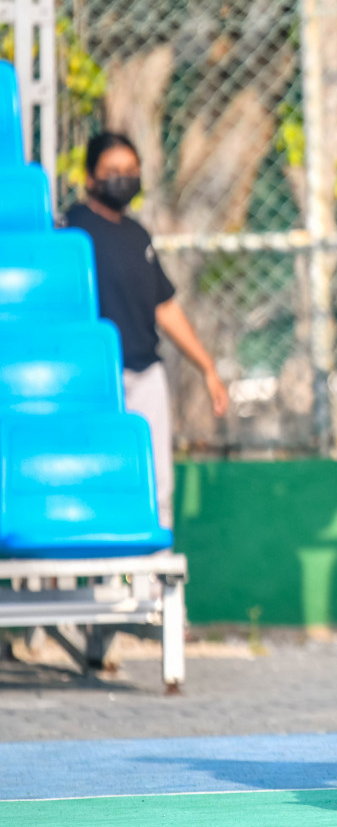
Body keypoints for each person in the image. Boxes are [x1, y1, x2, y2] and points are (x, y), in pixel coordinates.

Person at [65, 132, 230, 529]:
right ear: (89, 177)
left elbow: (165, 306)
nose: (123, 178)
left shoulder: (138, 235)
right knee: (96, 477)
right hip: (92, 379)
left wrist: (207, 368)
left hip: (145, 373)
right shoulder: (70, 230)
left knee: (157, 482)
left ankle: (155, 579)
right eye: (112, 171)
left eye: (130, 171)